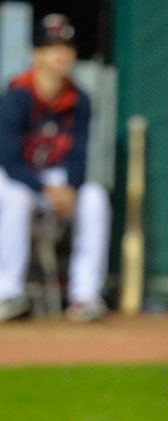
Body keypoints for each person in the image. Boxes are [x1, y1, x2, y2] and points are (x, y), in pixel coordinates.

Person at [0, 13, 111, 322]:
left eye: (66, 46)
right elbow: (8, 160)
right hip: (18, 183)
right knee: (14, 194)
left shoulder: (80, 100)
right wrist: (46, 190)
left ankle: (85, 296)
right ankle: (7, 293)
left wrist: (71, 190)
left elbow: (78, 156)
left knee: (95, 196)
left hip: (56, 183)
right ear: (36, 54)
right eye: (50, 46)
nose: (60, 53)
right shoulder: (17, 97)